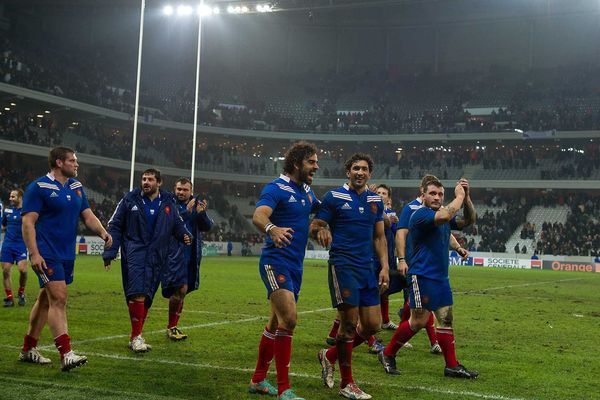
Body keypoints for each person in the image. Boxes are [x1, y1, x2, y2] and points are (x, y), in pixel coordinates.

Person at [19, 146, 112, 371]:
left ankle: (28, 349)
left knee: (45, 301)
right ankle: (66, 353)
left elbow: (88, 216)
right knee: (59, 298)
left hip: (67, 254)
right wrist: (34, 253)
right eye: (72, 160)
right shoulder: (39, 187)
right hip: (46, 253)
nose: (76, 164)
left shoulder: (77, 187)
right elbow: (28, 222)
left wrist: (103, 232)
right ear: (59, 163)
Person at [379, 176, 478, 379]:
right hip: (421, 275)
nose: (437, 197)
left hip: (441, 277)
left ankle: (451, 365)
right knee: (418, 321)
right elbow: (446, 215)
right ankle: (387, 353)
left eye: (440, 194)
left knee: (445, 319)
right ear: (422, 195)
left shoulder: (440, 215)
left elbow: (469, 220)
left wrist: (467, 198)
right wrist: (458, 196)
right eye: (432, 193)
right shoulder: (420, 214)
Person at [312, 153, 389, 400]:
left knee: (372, 326)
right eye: (356, 168)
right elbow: (316, 225)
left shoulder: (376, 201)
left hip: (367, 268)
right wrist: (321, 231)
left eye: (364, 169)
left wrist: (385, 267)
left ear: (369, 173)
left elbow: (379, 237)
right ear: (348, 172)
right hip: (343, 266)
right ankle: (348, 383)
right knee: (347, 325)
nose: (360, 172)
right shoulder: (334, 197)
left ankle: (329, 356)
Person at [248, 141, 320, 400]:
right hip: (274, 261)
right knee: (289, 319)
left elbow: (321, 211)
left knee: (276, 322)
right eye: (311, 162)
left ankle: (258, 380)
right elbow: (259, 215)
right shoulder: (276, 188)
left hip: (295, 265)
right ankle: (283, 389)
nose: (316, 166)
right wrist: (272, 229)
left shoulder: (307, 192)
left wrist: (322, 226)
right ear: (297, 163)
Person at [102, 168, 192, 352]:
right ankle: (136, 337)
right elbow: (115, 225)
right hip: (135, 252)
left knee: (147, 297)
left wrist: (184, 234)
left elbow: (177, 223)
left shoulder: (167, 202)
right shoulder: (129, 200)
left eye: (150, 179)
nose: (146, 182)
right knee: (138, 292)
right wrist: (109, 252)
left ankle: (136, 335)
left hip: (157, 255)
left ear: (158, 183)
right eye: (143, 179)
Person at [161, 178, 214, 341]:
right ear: (174, 189)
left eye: (185, 190)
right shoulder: (169, 204)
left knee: (183, 292)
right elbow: (169, 224)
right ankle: (171, 327)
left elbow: (207, 226)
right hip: (174, 254)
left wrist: (201, 213)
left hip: (192, 254)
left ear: (191, 191)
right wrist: (187, 212)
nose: (181, 192)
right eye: (179, 189)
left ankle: (173, 326)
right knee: (180, 289)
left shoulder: (194, 204)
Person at [2, 189, 28, 307]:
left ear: (20, 197)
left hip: (21, 245)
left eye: (13, 196)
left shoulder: (26, 211)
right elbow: (3, 225)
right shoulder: (7, 210)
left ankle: (21, 293)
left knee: (23, 270)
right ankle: (10, 298)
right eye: (10, 196)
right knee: (6, 271)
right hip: (7, 245)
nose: (10, 198)